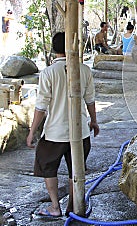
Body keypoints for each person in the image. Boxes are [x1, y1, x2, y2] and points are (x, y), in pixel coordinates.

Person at [26, 32, 99, 218]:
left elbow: (41, 107)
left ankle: (55, 207)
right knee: (76, 169)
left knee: (47, 166)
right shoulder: (84, 70)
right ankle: (73, 207)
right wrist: (94, 121)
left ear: (54, 49)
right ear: (73, 46)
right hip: (80, 130)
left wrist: (32, 131)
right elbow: (90, 100)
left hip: (55, 133)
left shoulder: (48, 73)